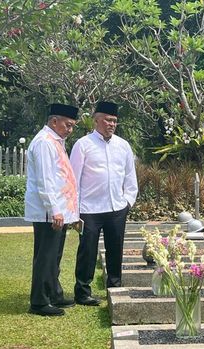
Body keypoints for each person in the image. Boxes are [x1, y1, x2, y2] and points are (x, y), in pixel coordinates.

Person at [70, 101, 138, 306]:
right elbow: (74, 179)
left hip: (117, 208)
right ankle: (82, 292)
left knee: (115, 249)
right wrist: (75, 210)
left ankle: (115, 286)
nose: (111, 124)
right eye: (108, 120)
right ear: (96, 120)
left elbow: (130, 176)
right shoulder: (83, 145)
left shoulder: (123, 145)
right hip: (90, 209)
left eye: (115, 121)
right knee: (87, 251)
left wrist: (128, 202)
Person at [25, 103, 79, 316]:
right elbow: (45, 180)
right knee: (45, 256)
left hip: (58, 210)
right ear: (54, 121)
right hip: (49, 212)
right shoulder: (44, 143)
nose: (70, 129)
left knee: (54, 255)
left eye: (73, 126)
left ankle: (54, 292)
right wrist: (55, 210)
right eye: (67, 125)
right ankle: (39, 301)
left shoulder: (56, 141)